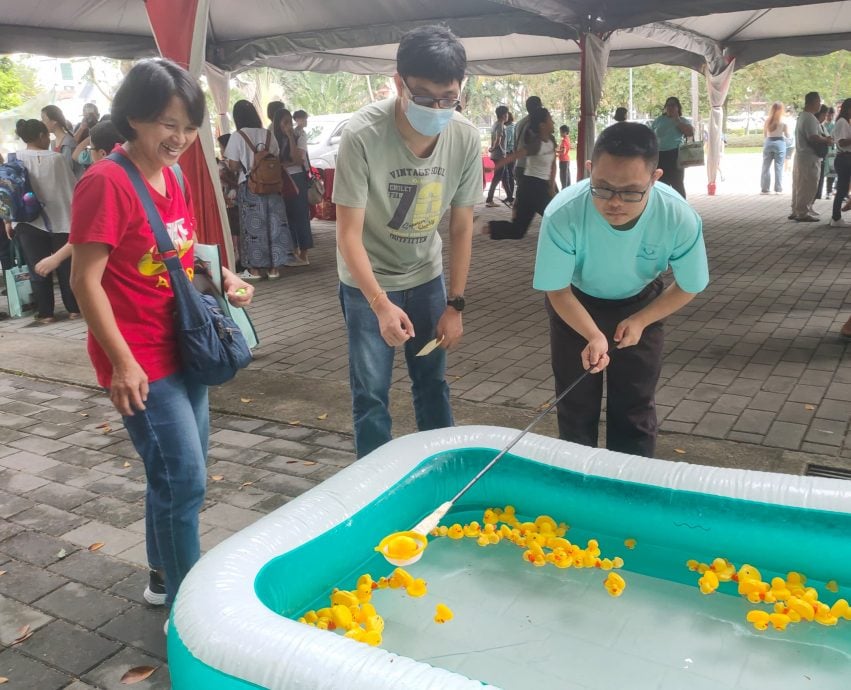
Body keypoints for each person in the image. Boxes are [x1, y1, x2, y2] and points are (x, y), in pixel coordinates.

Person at [69, 58, 255, 612]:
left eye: (190, 126)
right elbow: (85, 282)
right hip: (141, 361)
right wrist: (122, 363)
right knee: (186, 482)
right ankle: (188, 608)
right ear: (133, 118)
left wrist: (220, 275)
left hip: (184, 344)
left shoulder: (171, 174)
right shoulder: (105, 182)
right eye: (167, 124)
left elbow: (177, 251)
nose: (180, 138)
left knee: (172, 475)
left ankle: (161, 577)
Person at [333, 24, 480, 458]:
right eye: (424, 97)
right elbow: (346, 233)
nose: (438, 108)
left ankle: (442, 470)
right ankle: (374, 484)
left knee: (432, 380)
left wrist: (455, 304)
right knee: (372, 390)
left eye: (449, 98)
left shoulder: (465, 136)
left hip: (426, 277)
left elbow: (461, 226)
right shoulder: (363, 134)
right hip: (368, 282)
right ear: (398, 83)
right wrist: (379, 303)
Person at [533, 122, 708, 457]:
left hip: (641, 303)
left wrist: (642, 320)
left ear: (655, 178)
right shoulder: (563, 214)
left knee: (635, 406)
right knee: (575, 404)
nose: (614, 202)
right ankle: (578, 484)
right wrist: (593, 334)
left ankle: (629, 488)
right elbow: (557, 290)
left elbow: (689, 285)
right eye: (602, 188)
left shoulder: (678, 217)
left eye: (630, 192)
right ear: (588, 171)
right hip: (576, 305)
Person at [4, 119, 80, 324]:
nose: (49, 138)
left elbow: (8, 194)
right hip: (62, 220)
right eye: (47, 135)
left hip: (27, 222)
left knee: (37, 268)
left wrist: (8, 221)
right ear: (40, 136)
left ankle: (46, 314)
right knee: (66, 268)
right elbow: (72, 189)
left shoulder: (13, 158)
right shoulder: (56, 159)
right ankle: (74, 309)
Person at [224, 99, 301, 279]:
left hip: (251, 187)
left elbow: (234, 165)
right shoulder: (267, 134)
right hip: (273, 187)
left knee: (253, 227)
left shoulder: (238, 136)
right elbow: (275, 157)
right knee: (274, 225)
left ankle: (255, 270)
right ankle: (275, 269)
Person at [482, 108, 556, 241]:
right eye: (550, 119)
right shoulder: (536, 144)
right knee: (556, 216)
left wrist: (551, 186)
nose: (553, 122)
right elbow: (515, 156)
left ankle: (484, 228)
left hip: (541, 186)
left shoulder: (551, 140)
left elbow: (553, 163)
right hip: (531, 186)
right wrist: (494, 168)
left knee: (518, 231)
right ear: (542, 125)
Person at [273, 107, 314, 263]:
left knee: (301, 215)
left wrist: (290, 136)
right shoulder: (274, 138)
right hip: (281, 180)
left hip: (297, 178)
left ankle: (304, 252)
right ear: (278, 124)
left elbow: (297, 159)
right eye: (284, 123)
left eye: (289, 122)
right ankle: (293, 250)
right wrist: (284, 164)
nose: (288, 126)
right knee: (287, 215)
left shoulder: (299, 135)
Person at [789, 92, 833, 222]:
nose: (820, 105)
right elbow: (813, 137)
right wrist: (826, 140)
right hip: (809, 157)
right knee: (808, 184)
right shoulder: (810, 118)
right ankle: (802, 212)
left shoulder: (802, 116)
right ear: (813, 102)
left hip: (801, 155)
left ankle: (796, 210)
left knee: (799, 184)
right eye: (818, 102)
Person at [651, 97, 693, 198]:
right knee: (661, 184)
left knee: (677, 183)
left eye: (673, 105)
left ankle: (682, 208)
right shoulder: (659, 120)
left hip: (675, 154)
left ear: (678, 107)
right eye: (668, 105)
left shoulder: (683, 120)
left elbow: (689, 133)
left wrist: (677, 120)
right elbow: (651, 134)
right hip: (659, 155)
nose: (670, 107)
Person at [513, 96, 543, 209]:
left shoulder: (520, 123)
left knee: (521, 199)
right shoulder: (535, 124)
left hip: (520, 165)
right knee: (549, 199)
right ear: (538, 107)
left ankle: (517, 221)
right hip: (533, 168)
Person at [41, 104, 83, 178]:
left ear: (54, 121)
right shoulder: (54, 142)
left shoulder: (68, 143)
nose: (42, 123)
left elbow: (67, 170)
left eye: (44, 119)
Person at [829, 98, 851, 228]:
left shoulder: (844, 122)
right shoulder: (842, 122)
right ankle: (836, 217)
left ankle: (836, 217)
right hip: (845, 158)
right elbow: (842, 142)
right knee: (842, 189)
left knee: (842, 189)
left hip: (845, 158)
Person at [485, 105, 512, 207]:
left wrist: (492, 148)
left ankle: (510, 198)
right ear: (503, 115)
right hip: (500, 155)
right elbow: (498, 139)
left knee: (505, 177)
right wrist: (493, 148)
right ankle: (489, 200)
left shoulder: (495, 124)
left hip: (497, 155)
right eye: (507, 114)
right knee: (497, 177)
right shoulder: (500, 125)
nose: (508, 116)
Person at [761, 101, 788, 194]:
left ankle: (765, 188)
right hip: (780, 143)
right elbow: (787, 135)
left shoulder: (767, 121)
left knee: (766, 167)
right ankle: (778, 188)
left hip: (769, 142)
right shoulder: (783, 121)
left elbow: (765, 134)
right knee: (778, 167)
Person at [503, 111, 516, 202]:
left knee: (507, 175)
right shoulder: (514, 126)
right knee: (510, 174)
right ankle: (510, 195)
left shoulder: (508, 128)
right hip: (513, 152)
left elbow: (506, 141)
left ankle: (510, 195)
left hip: (508, 153)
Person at [557, 124, 571, 189]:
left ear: (565, 132)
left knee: (563, 178)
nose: (560, 133)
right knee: (567, 177)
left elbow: (563, 151)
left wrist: (555, 152)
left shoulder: (564, 140)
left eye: (561, 132)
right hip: (567, 160)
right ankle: (567, 189)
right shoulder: (567, 139)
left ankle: (564, 190)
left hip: (563, 161)